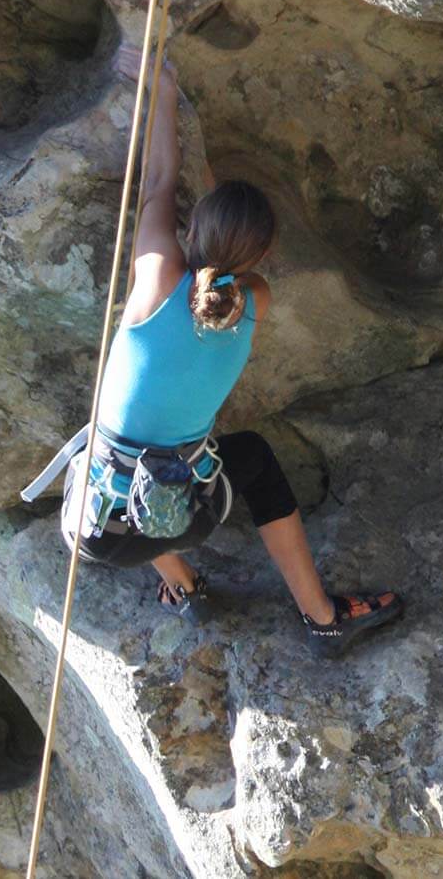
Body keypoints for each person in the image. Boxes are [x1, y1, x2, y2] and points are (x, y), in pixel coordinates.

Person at [48, 46, 402, 658]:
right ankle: (321, 618)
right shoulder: (253, 299)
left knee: (119, 447)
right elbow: (223, 271)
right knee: (253, 460)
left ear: (192, 229)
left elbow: (159, 179)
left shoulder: (157, 273)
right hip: (191, 515)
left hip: (95, 533)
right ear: (260, 260)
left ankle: (184, 590)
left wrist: (160, 88)